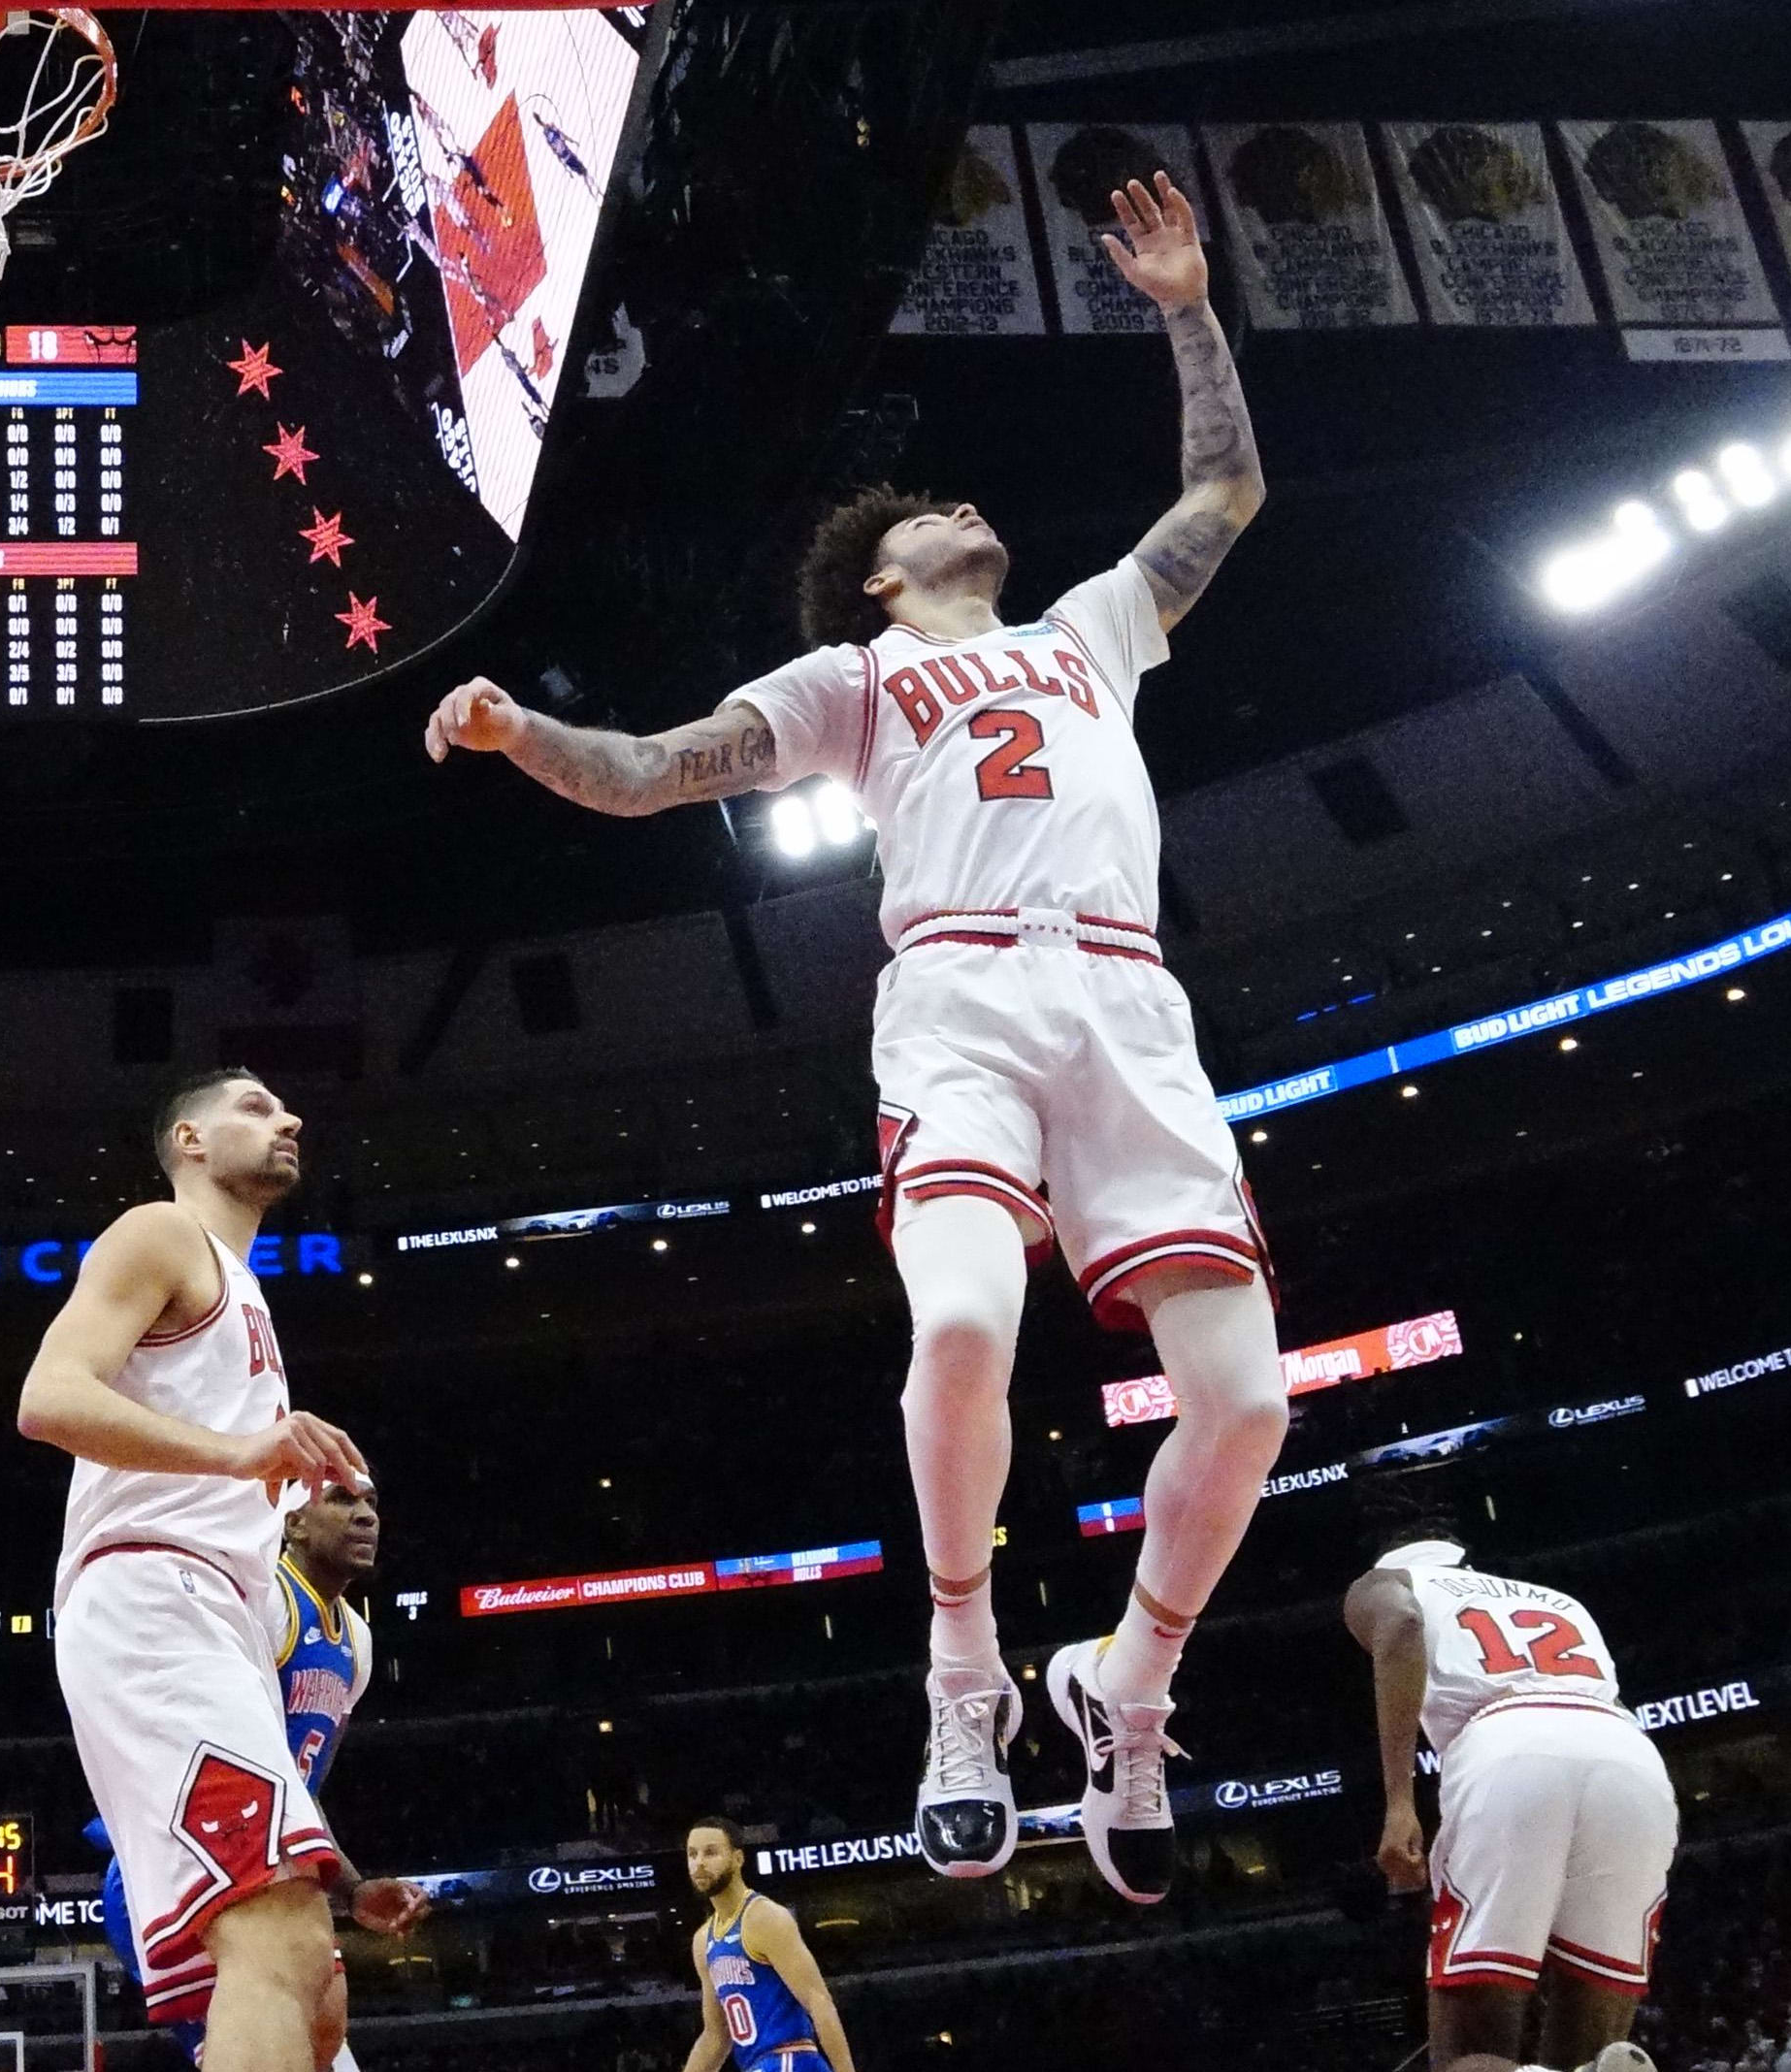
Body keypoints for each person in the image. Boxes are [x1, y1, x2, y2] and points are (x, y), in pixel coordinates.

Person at [421, 166, 1279, 1905]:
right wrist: (524, 731)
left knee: (1246, 1401)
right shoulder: (855, 684)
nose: (964, 504)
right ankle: (961, 1678)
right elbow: (655, 769)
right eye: (925, 515)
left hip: (1124, 993)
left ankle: (1125, 1689)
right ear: (883, 583)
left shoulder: (1091, 631)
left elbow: (1224, 487)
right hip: (959, 991)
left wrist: (1184, 303)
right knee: (964, 1319)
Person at [18, 1067, 388, 2072]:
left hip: (209, 1608)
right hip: (152, 1590)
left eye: (287, 1105)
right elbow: (47, 1396)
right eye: (256, 1107)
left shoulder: (247, 1289)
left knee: (308, 1981)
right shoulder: (159, 1233)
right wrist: (243, 1453)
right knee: (275, 1932)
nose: (290, 1116)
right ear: (187, 1141)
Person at [87, 1474, 420, 2069]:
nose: (366, 1515)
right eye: (342, 1500)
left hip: (268, 1865)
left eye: (372, 1501)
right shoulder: (260, 1602)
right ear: (291, 1523)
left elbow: (301, 1791)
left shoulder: (358, 1644)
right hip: (196, 1866)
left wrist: (353, 1887)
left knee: (322, 2038)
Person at [1345, 1515, 1678, 2072]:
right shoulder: (1559, 1600)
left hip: (1507, 1747)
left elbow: (1401, 1625)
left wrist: (1400, 1802)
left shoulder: (1387, 1584)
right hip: (1630, 1759)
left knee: (1472, 2054)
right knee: (1592, 2050)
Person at [679, 1816, 857, 2072]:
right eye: (692, 1854)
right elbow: (715, 2037)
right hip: (758, 2065)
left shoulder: (764, 1917)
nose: (699, 1863)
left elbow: (819, 2001)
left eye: (711, 1853)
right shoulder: (702, 1940)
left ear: (738, 1859)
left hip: (790, 2058)